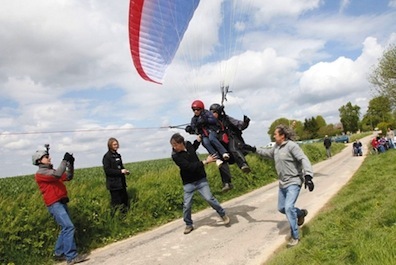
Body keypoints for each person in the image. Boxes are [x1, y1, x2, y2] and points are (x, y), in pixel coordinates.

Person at [254, 124, 314, 248]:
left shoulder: (292, 146)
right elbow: (266, 153)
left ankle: (295, 237)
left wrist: (308, 176)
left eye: (275, 134)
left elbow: (303, 159)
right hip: (282, 184)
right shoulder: (276, 147)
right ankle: (300, 214)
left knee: (288, 208)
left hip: (294, 182)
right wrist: (252, 149)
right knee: (282, 208)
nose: (273, 135)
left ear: (282, 136)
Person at [32, 146, 88, 265]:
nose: (49, 158)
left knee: (65, 228)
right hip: (54, 204)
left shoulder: (51, 172)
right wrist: (64, 160)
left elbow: (68, 176)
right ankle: (71, 256)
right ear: (39, 160)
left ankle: (59, 253)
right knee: (69, 227)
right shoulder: (41, 173)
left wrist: (70, 164)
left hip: (61, 202)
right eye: (46, 157)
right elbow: (58, 174)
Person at [170, 133, 230, 234]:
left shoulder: (188, 144)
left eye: (175, 145)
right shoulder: (175, 156)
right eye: (173, 145)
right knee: (187, 205)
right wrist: (206, 161)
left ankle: (222, 214)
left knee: (209, 198)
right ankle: (189, 224)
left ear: (182, 143)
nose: (174, 147)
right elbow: (189, 167)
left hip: (201, 179)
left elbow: (192, 149)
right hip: (188, 183)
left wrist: (198, 140)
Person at [209, 103, 255, 174]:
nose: (212, 114)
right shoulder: (210, 123)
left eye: (214, 112)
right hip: (222, 143)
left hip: (232, 137)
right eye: (211, 112)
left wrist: (245, 122)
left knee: (233, 148)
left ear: (218, 112)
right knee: (222, 157)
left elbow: (240, 125)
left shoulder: (226, 119)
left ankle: (243, 164)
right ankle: (227, 182)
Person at [186, 100, 230, 167]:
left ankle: (224, 152)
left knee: (212, 138)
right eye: (194, 110)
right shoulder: (194, 119)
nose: (196, 111)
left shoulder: (207, 113)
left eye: (197, 110)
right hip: (204, 135)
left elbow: (214, 120)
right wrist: (189, 129)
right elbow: (194, 128)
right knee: (206, 142)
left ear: (201, 109)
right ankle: (217, 158)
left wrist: (205, 120)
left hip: (213, 131)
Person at [102, 138, 130, 216]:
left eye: (117, 144)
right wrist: (120, 171)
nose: (116, 146)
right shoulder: (107, 157)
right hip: (114, 185)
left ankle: (126, 217)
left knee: (125, 201)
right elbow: (108, 171)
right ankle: (116, 218)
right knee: (116, 204)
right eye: (114, 144)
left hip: (121, 183)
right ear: (110, 145)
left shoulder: (118, 155)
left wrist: (125, 171)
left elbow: (120, 166)